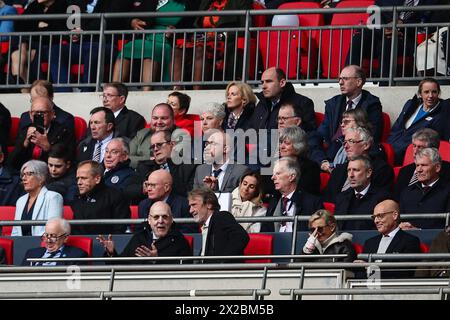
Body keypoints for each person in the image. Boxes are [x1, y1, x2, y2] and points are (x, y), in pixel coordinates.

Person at [309, 65, 383, 165]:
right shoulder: (333, 104)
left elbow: (372, 136)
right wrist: (322, 161)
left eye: (345, 79)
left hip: (354, 157)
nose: (340, 83)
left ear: (358, 82)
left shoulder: (372, 104)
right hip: (329, 156)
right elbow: (320, 134)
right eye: (339, 79)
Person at [112, 0, 193, 91]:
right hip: (147, 36)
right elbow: (134, 13)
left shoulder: (188, 4)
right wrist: (133, 21)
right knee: (126, 48)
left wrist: (177, 30)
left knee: (150, 50)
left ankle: (146, 92)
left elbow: (192, 23)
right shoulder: (153, 1)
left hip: (168, 40)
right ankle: (114, 90)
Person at [98, 201, 192, 264]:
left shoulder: (179, 241)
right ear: (149, 220)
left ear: (171, 220)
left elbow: (186, 269)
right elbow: (122, 265)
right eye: (156, 217)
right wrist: (111, 254)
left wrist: (157, 260)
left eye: (165, 217)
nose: (160, 221)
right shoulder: (139, 237)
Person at [9, 0, 73, 88]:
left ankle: (34, 92)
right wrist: (37, 24)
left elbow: (60, 30)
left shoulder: (64, 5)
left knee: (30, 54)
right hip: (32, 45)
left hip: (53, 47)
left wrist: (36, 27)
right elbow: (19, 26)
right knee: (16, 56)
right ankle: (24, 92)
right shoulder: (34, 5)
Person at [191, 0, 252, 90]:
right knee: (180, 46)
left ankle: (197, 89)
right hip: (204, 39)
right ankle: (191, 89)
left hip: (227, 40)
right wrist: (200, 36)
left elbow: (245, 28)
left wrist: (219, 36)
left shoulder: (239, 2)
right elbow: (197, 25)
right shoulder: (206, 2)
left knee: (200, 49)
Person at [322, 127, 393, 203]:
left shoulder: (381, 170)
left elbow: (376, 200)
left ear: (366, 145)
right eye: (345, 142)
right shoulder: (339, 170)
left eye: (351, 141)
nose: (345, 147)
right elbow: (326, 199)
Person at [126, 129, 197, 203]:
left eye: (159, 145)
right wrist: (143, 188)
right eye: (153, 147)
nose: (156, 149)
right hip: (152, 208)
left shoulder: (189, 165)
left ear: (172, 145)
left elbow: (190, 193)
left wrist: (170, 162)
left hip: (180, 208)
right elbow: (129, 190)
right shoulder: (145, 166)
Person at [387, 78, 447, 165]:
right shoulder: (411, 104)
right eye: (426, 92)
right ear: (420, 94)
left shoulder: (441, 113)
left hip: (411, 153)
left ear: (438, 93)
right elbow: (397, 126)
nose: (430, 95)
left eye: (434, 92)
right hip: (392, 146)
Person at [8, 97, 75, 171]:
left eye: (43, 113)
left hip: (51, 175)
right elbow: (12, 163)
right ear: (30, 114)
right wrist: (25, 144)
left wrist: (48, 147)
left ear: (52, 114)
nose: (39, 116)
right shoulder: (25, 131)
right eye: (36, 113)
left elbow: (67, 161)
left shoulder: (63, 131)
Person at [360, 199, 421, 279]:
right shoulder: (369, 243)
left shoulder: (410, 241)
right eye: (374, 217)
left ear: (395, 215)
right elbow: (360, 273)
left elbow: (404, 272)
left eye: (380, 216)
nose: (376, 221)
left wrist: (371, 269)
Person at [261, 157, 323, 232]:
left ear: (292, 177)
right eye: (273, 174)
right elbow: (265, 232)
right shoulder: (274, 202)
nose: (272, 177)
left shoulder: (313, 203)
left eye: (277, 173)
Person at [188, 187, 249, 262]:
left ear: (209, 204)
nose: (190, 210)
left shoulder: (221, 217)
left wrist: (222, 263)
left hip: (223, 272)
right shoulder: (206, 226)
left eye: (194, 205)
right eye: (190, 206)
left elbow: (241, 237)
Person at [71, 160, 130, 235]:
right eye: (77, 178)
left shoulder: (115, 196)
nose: (79, 182)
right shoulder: (77, 197)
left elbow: (120, 228)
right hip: (81, 243)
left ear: (97, 179)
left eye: (84, 178)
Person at [248, 67, 316, 132]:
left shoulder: (303, 103)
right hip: (260, 143)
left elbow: (308, 134)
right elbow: (251, 131)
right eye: (262, 82)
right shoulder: (261, 104)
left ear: (282, 83)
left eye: (268, 81)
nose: (263, 86)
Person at [334, 155, 390, 231]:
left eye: (356, 170)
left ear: (368, 173)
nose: (351, 175)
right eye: (349, 170)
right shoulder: (341, 197)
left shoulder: (382, 198)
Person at [399, 148, 450, 229]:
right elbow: (400, 221)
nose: (419, 170)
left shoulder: (447, 191)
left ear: (437, 167)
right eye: (417, 165)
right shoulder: (406, 192)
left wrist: (420, 231)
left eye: (424, 165)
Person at [128, 103, 190, 168]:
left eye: (164, 118)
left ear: (173, 120)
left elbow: (176, 159)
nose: (159, 122)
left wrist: (140, 159)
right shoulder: (142, 134)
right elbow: (126, 158)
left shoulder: (181, 135)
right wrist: (150, 159)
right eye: (155, 118)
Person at [394, 128, 450, 200]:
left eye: (420, 147)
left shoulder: (448, 170)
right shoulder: (404, 171)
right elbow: (396, 198)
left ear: (433, 150)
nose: (415, 151)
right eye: (414, 146)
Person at [11, 160, 63, 236]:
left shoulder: (53, 197)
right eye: (23, 174)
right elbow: (15, 231)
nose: (24, 178)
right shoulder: (20, 201)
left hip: (42, 244)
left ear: (41, 178)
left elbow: (53, 229)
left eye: (29, 174)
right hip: (20, 244)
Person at [137, 169, 197, 233]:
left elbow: (189, 233)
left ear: (166, 187)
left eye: (153, 185)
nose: (148, 189)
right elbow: (140, 232)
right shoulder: (143, 205)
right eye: (147, 185)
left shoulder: (184, 205)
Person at [319, 107, 374, 173]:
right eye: (341, 122)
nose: (342, 125)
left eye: (346, 122)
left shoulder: (370, 148)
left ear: (360, 123)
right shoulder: (339, 141)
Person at [21, 217, 88, 266]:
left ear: (65, 238)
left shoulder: (77, 256)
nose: (48, 240)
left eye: (53, 236)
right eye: (46, 235)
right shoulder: (31, 253)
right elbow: (21, 277)